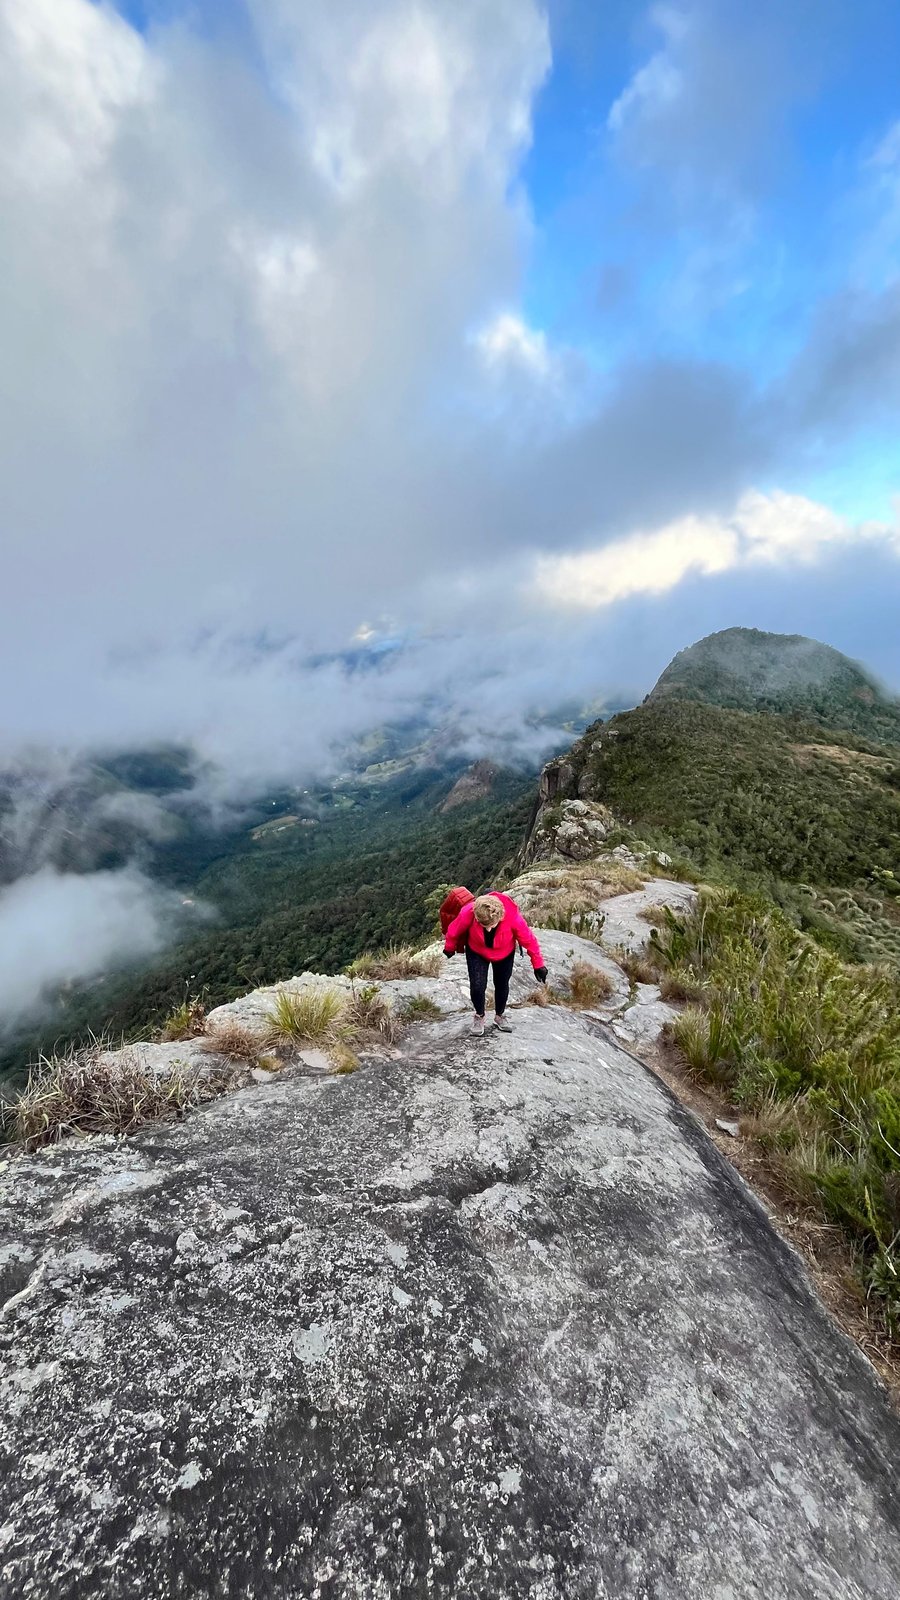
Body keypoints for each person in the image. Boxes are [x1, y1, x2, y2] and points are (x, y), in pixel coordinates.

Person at [443, 891, 547, 1036]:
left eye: (492, 924)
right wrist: (449, 947)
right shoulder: (469, 911)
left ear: (500, 916)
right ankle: (479, 1016)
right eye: (483, 925)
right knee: (477, 986)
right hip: (477, 951)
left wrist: (538, 965)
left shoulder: (512, 917)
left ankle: (499, 1016)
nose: (488, 929)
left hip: (504, 953)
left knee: (502, 985)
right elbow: (455, 929)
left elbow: (529, 940)